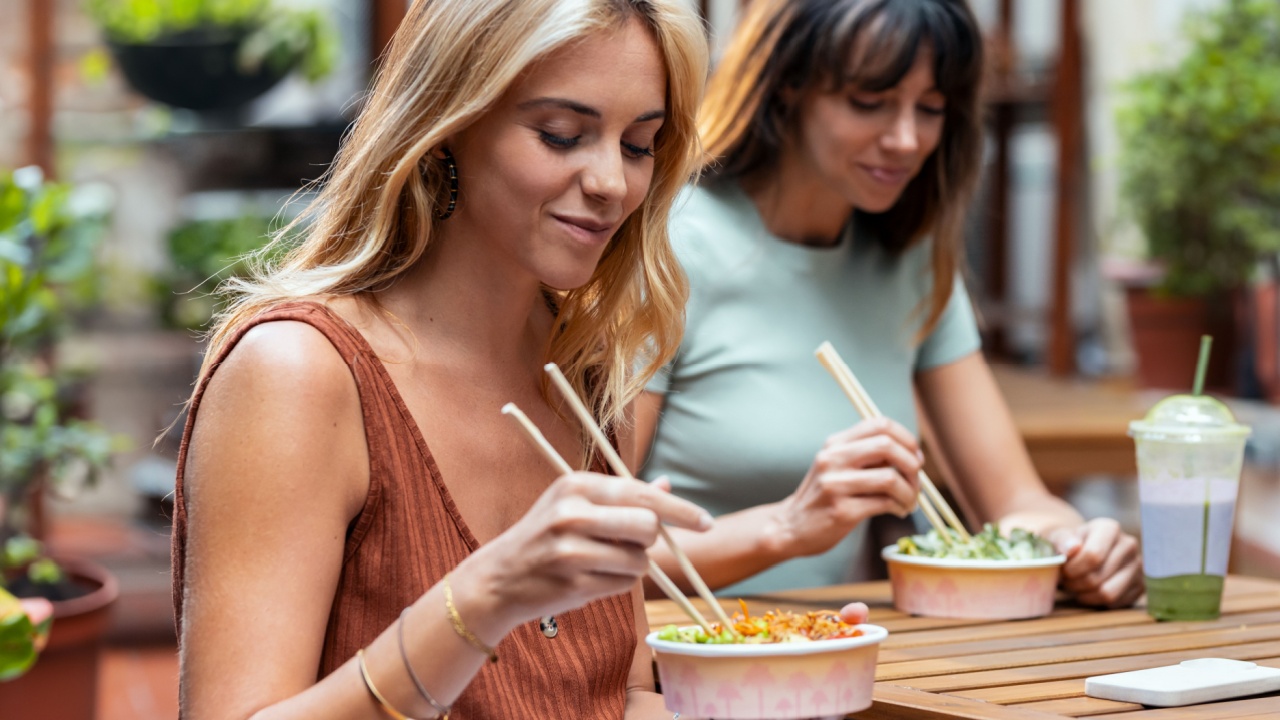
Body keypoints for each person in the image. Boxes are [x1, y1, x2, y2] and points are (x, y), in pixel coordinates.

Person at [168, 2, 761, 718]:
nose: (611, 181)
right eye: (562, 134)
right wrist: (484, 599)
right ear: (448, 126)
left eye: (639, 145)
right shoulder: (300, 373)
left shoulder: (584, 368)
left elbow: (625, 689)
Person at [637, 0, 1143, 608]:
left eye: (930, 109)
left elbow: (1014, 504)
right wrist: (787, 527)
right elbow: (581, 562)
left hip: (842, 660)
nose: (905, 139)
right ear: (787, 86)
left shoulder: (912, 259)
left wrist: (1078, 544)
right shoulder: (669, 248)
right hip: (676, 673)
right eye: (869, 102)